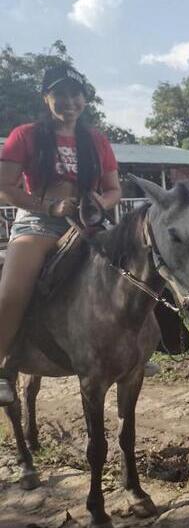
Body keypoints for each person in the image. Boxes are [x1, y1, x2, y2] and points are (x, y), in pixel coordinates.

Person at [0, 64, 121, 405]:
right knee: (13, 290)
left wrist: (99, 202)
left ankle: (143, 346)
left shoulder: (97, 140)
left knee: (135, 266)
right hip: (38, 223)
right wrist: (49, 206)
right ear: (46, 98)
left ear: (85, 99)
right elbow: (5, 187)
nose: (69, 101)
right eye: (60, 94)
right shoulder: (25, 135)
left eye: (75, 94)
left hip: (86, 223)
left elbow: (114, 190)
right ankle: (2, 368)